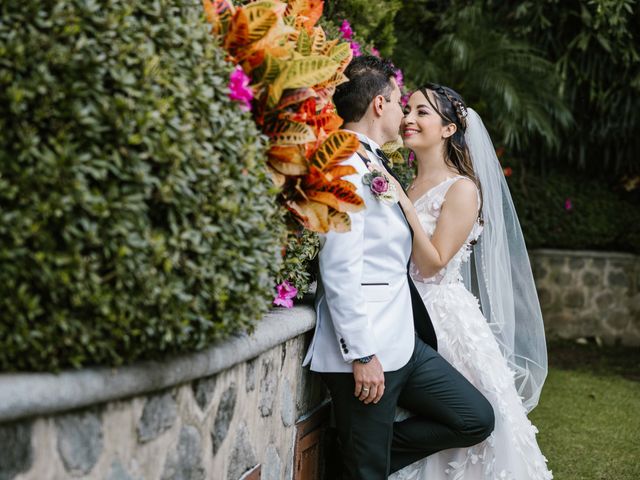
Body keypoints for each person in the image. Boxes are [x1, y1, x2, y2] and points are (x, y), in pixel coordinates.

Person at [302, 56, 494, 480]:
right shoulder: (346, 165)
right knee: (368, 471)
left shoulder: (374, 162)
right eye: (398, 103)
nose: (403, 113)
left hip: (404, 342)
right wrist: (362, 353)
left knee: (475, 417)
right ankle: (356, 455)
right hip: (368, 349)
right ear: (378, 105)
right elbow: (339, 267)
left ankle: (350, 453)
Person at [386, 84, 552, 479]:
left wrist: (404, 207)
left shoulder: (461, 189)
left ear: (448, 129)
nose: (408, 118)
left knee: (468, 419)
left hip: (443, 320)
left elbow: (434, 265)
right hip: (402, 309)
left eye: (422, 112)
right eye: (407, 109)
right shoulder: (407, 181)